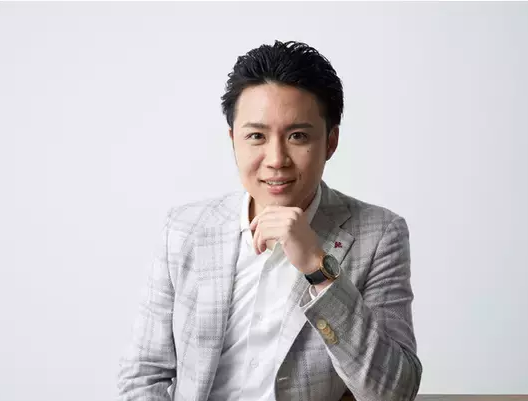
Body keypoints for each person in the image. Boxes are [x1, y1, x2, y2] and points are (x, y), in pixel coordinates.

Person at [117, 40, 422, 401]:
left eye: (297, 136)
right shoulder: (185, 228)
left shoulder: (378, 234)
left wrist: (318, 268)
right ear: (234, 140)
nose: (276, 159)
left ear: (331, 141)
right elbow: (143, 377)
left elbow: (394, 392)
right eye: (256, 136)